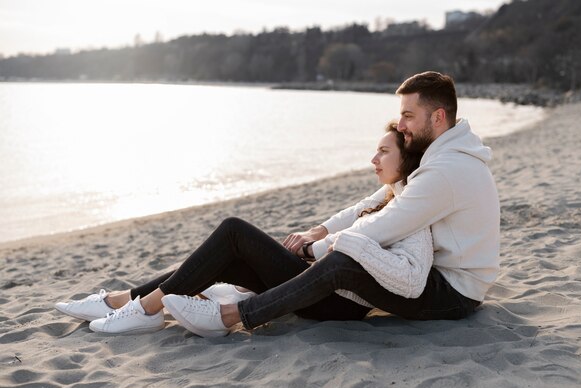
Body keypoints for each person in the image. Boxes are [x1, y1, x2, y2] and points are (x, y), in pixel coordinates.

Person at [55, 121, 435, 335]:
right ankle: (124, 300)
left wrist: (339, 244)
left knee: (234, 230)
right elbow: (351, 214)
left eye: (384, 152)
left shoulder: (411, 209)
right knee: (228, 257)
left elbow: (411, 277)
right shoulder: (388, 193)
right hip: (323, 287)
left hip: (338, 300)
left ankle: (146, 308)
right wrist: (320, 232)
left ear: (408, 158)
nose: (373, 159)